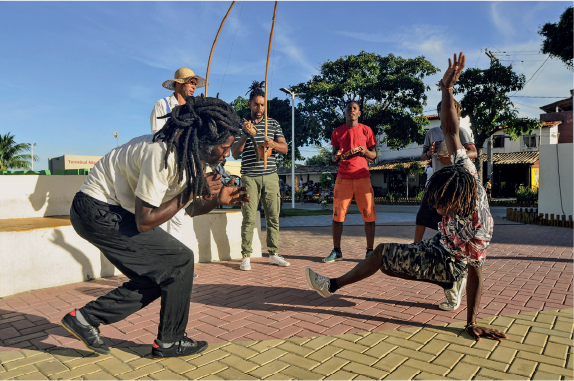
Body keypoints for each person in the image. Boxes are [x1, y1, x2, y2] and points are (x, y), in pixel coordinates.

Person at [306, 53, 507, 342]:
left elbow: (477, 273)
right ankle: (448, 281)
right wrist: (447, 88)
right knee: (390, 253)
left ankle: (335, 286)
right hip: (444, 242)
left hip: (451, 257)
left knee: (384, 255)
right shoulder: (464, 168)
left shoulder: (478, 228)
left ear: (458, 203)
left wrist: (472, 321)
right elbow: (450, 129)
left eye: (442, 205)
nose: (438, 209)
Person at [61, 96, 250, 358]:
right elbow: (145, 220)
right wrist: (193, 190)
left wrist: (216, 200)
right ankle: (170, 341)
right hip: (96, 210)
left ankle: (85, 319)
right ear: (205, 141)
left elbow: (190, 210)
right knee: (180, 260)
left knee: (163, 273)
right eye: (224, 147)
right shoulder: (162, 154)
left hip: (115, 211)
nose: (227, 153)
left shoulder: (190, 157)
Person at [414, 99, 477, 311]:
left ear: (457, 113)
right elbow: (423, 156)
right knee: (422, 218)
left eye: (452, 110)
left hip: (454, 186)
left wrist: (452, 159)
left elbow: (474, 153)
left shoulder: (462, 131)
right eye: (443, 110)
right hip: (436, 185)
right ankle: (416, 252)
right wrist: (429, 154)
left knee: (453, 237)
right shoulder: (432, 133)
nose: (447, 113)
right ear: (439, 112)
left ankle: (456, 285)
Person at [150, 68, 206, 278]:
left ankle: (178, 265)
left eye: (194, 83)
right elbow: (158, 135)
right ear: (179, 84)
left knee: (178, 217)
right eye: (190, 82)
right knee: (162, 215)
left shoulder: (194, 107)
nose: (193, 86)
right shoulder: (162, 105)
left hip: (186, 167)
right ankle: (164, 265)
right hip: (166, 166)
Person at [231, 81, 290, 271]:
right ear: (249, 104)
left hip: (270, 175)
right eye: (256, 104)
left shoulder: (272, 123)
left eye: (262, 104)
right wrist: (245, 135)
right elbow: (234, 153)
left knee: (273, 216)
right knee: (248, 217)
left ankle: (273, 253)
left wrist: (272, 144)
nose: (259, 108)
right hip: (249, 175)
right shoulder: (241, 124)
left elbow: (285, 149)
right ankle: (246, 255)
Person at [323, 101, 378, 263]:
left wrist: (365, 151)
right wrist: (337, 155)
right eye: (348, 108)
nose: (351, 111)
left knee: (369, 215)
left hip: (363, 177)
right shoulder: (337, 132)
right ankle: (337, 251)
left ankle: (369, 251)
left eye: (355, 109)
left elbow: (374, 155)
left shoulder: (366, 130)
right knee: (338, 216)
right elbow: (333, 157)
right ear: (345, 112)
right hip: (343, 178)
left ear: (359, 113)